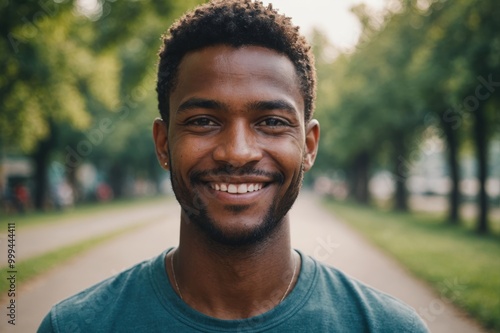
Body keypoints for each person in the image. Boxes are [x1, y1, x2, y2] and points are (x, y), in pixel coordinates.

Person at [38, 0, 429, 332]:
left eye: (271, 122)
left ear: (309, 146)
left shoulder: (386, 327)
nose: (238, 152)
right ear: (163, 144)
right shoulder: (76, 326)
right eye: (204, 121)